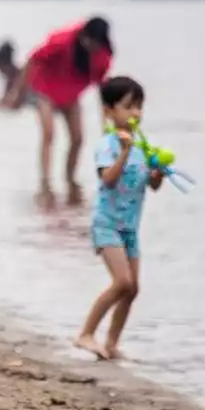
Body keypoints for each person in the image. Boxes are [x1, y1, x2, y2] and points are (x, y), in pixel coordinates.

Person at [76, 76, 163, 361]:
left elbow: (151, 186)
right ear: (109, 112)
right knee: (122, 282)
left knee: (133, 288)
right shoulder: (109, 145)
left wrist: (157, 173)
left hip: (130, 229)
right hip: (108, 224)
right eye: (128, 106)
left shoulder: (142, 148)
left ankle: (111, 343)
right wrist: (124, 152)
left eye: (139, 106)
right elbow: (109, 180)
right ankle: (85, 334)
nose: (135, 113)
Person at [4, 17, 113, 204]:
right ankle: (45, 182)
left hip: (71, 93)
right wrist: (17, 93)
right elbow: (32, 60)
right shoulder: (62, 41)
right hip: (45, 88)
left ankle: (70, 178)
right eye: (90, 42)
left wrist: (106, 125)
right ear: (84, 37)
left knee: (78, 138)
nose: (92, 47)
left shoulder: (103, 56)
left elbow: (102, 90)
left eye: (96, 44)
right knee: (49, 133)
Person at [0, 40, 28, 109]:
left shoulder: (20, 77)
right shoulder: (11, 79)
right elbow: (5, 100)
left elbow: (13, 103)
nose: (0, 72)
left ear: (3, 65)